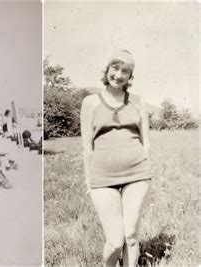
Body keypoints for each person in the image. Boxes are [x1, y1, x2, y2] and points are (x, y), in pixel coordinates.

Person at [80, 50, 151, 266]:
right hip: (102, 177)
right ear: (107, 69)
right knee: (115, 241)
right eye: (116, 68)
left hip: (137, 174)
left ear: (131, 77)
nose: (119, 74)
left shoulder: (138, 102)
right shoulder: (90, 102)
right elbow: (87, 147)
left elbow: (146, 141)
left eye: (126, 71)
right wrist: (89, 180)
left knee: (130, 236)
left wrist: (146, 168)